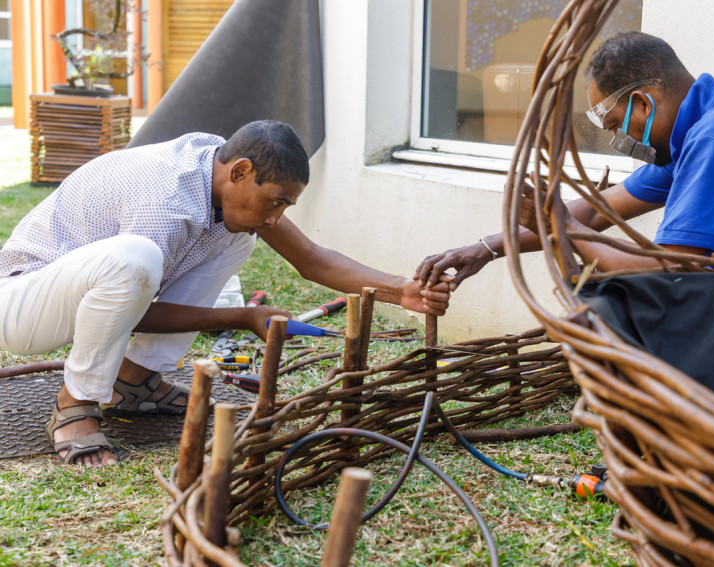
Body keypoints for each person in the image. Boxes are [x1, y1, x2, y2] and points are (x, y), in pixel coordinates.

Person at [0, 120, 451, 467]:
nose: (277, 216)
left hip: (74, 296)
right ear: (240, 172)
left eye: (286, 206)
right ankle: (74, 403)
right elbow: (133, 313)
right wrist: (238, 318)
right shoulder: (167, 200)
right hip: (20, 306)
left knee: (240, 235)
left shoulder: (215, 171)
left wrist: (402, 291)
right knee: (134, 260)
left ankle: (132, 382)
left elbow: (310, 258)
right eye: (276, 201)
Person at [415, 31, 714, 290]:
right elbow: (599, 210)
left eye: (615, 124)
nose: (618, 139)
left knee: (634, 298)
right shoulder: (696, 130)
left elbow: (670, 269)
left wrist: (563, 229)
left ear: (643, 102)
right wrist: (486, 248)